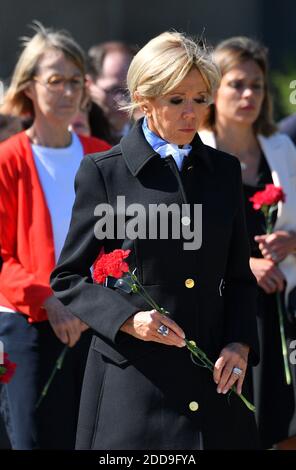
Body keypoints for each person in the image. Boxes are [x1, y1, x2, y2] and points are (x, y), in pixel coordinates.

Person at [50, 31, 260, 450]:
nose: (192, 112)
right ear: (145, 100)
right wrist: (130, 320)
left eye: (201, 99)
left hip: (214, 389)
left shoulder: (223, 171)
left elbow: (238, 275)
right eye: (177, 100)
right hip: (134, 391)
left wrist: (240, 342)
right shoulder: (103, 172)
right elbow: (69, 278)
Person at [0, 24, 110, 449]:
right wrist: (48, 299)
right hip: (26, 326)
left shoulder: (101, 153)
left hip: (93, 324)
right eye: (55, 80)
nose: (68, 91)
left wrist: (92, 302)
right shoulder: (8, 161)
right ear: (29, 87)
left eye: (75, 81)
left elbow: (121, 243)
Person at [199, 36, 296, 449]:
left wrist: (292, 240)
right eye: (237, 84)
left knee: (285, 416)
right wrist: (245, 265)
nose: (249, 94)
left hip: (282, 305)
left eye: (257, 85)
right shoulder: (195, 151)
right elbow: (186, 234)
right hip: (224, 308)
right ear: (214, 90)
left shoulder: (282, 148)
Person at [86, 41, 138, 144]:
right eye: (114, 89)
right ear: (89, 85)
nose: (123, 101)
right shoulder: (77, 134)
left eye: (130, 90)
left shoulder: (147, 137)